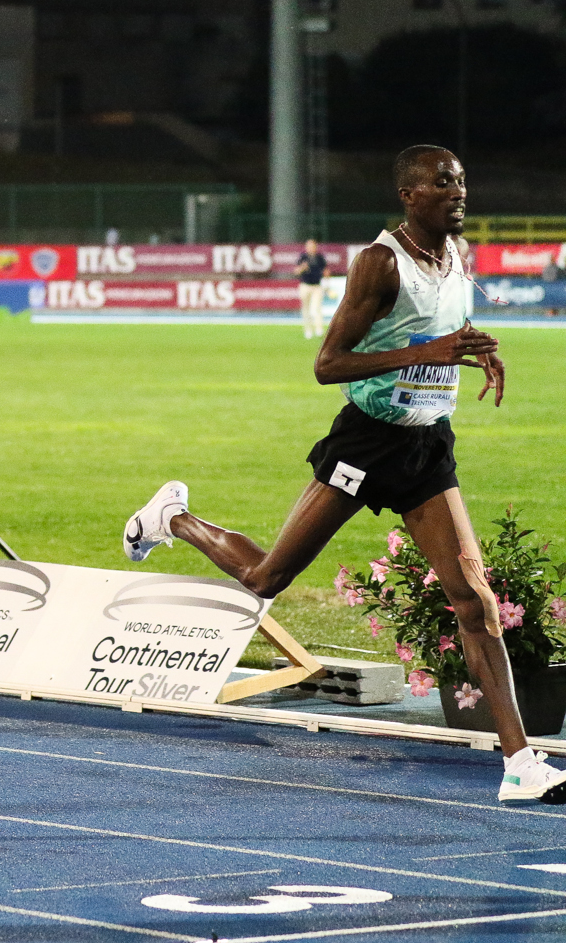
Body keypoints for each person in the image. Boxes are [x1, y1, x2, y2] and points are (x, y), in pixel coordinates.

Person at [122, 145, 566, 804]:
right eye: (443, 183)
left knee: (473, 600)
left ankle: (520, 763)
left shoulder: (456, 254)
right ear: (409, 195)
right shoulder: (378, 263)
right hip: (366, 443)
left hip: (426, 446)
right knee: (267, 578)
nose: (459, 192)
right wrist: (432, 350)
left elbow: (442, 325)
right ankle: (174, 518)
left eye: (462, 181)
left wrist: (472, 348)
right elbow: (328, 364)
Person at [295, 238, 329, 339]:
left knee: (317, 307)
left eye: (313, 246)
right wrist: (302, 268)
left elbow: (325, 270)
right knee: (305, 308)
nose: (311, 248)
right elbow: (296, 271)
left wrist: (327, 280)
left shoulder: (319, 257)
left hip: (316, 286)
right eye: (309, 246)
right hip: (305, 285)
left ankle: (319, 329)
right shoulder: (302, 257)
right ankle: (308, 330)